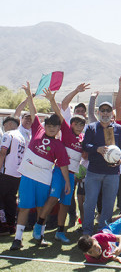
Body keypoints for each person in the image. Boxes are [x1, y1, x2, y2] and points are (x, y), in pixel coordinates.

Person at [10, 82, 71, 250]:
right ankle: (18, 239)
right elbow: (32, 110)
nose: (51, 129)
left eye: (54, 126)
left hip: (44, 178)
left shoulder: (59, 145)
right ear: (45, 126)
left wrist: (66, 182)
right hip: (28, 175)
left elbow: (64, 165)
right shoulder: (37, 129)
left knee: (40, 208)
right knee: (23, 207)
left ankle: (40, 236)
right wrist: (29, 94)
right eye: (49, 126)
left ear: (59, 128)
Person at [32, 89, 85, 244]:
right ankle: (39, 224)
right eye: (77, 123)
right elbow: (59, 113)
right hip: (59, 172)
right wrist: (52, 100)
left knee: (65, 204)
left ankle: (60, 232)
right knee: (54, 197)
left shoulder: (82, 138)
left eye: (82, 124)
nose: (80, 126)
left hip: (72, 175)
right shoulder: (67, 131)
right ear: (72, 124)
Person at [82, 100, 121, 236]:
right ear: (98, 112)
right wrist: (98, 149)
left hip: (112, 173)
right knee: (90, 202)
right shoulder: (91, 128)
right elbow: (85, 145)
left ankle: (104, 231)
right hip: (94, 172)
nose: (105, 113)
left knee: (109, 203)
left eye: (108, 110)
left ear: (112, 113)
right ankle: (87, 230)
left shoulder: (118, 129)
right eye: (102, 110)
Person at [0, 116, 26, 236]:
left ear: (9, 124)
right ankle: (11, 225)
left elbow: (3, 152)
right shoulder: (22, 137)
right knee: (10, 199)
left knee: (1, 198)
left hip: (5, 172)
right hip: (16, 174)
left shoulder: (8, 134)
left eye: (4, 125)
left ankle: (2, 226)